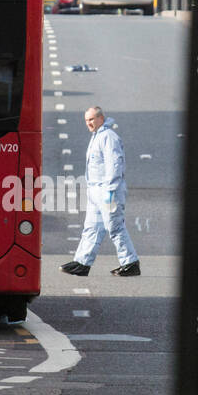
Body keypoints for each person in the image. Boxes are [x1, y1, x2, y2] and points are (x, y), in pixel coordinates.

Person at [61, 106, 141, 277]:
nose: (88, 123)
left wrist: (110, 191)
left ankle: (131, 262)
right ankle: (82, 262)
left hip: (107, 191)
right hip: (95, 191)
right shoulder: (97, 136)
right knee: (91, 227)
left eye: (91, 119)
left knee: (115, 227)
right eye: (86, 120)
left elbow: (115, 165)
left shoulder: (108, 137)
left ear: (101, 118)